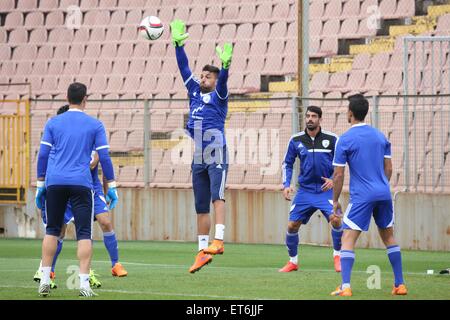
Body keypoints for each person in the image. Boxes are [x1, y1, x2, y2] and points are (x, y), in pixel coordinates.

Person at [35, 82, 118, 297]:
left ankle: (44, 279)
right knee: (84, 234)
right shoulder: (95, 124)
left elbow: (43, 155)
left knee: (52, 230)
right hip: (81, 183)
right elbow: (105, 157)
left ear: (67, 98)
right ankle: (83, 285)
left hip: (55, 182)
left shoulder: (53, 123)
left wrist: (40, 185)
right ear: (85, 99)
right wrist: (112, 186)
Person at [170, 19, 233, 273]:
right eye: (203, 75)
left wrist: (226, 66)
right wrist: (177, 46)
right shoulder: (194, 92)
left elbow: (225, 81)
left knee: (218, 196)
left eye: (208, 76)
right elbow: (184, 68)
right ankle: (201, 251)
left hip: (215, 148)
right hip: (198, 152)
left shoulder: (219, 95)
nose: (203, 77)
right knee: (200, 204)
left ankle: (219, 240)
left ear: (215, 81)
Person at [331, 94, 407, 297]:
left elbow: (338, 174)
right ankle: (400, 284)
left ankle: (345, 286)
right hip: (384, 192)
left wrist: (335, 200)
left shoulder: (345, 139)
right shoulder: (380, 136)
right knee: (389, 236)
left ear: (350, 113)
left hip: (362, 195)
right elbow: (389, 168)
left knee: (347, 237)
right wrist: (380, 186)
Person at [280, 106, 343, 273]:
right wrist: (286, 185)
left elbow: (341, 165)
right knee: (292, 225)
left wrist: (333, 180)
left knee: (336, 220)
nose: (309, 119)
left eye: (313, 116)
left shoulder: (332, 139)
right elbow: (287, 163)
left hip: (326, 191)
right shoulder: (296, 140)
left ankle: (338, 257)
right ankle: (293, 262)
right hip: (305, 191)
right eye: (307, 116)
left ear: (320, 119)